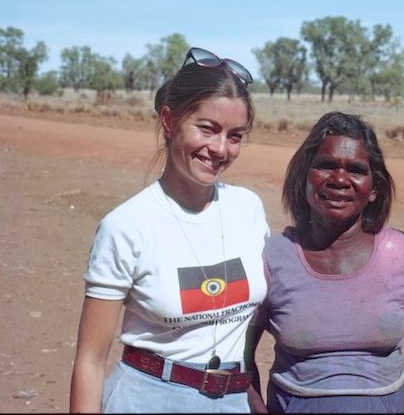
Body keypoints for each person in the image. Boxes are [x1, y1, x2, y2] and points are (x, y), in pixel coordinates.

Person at [70, 47, 270, 413]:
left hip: (233, 401)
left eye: (235, 135)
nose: (220, 148)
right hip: (147, 399)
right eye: (207, 129)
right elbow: (90, 361)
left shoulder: (248, 209)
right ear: (169, 121)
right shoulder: (126, 225)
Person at [247, 112, 404, 413]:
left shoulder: (403, 254)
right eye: (325, 166)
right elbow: (240, 351)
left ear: (374, 188)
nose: (339, 179)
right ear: (304, 178)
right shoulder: (273, 257)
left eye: (356, 170)